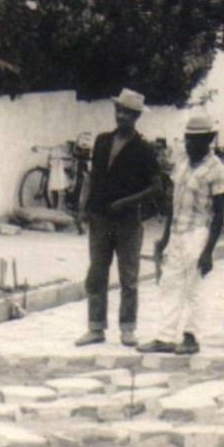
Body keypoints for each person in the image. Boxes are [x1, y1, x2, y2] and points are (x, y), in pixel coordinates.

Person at [137, 114, 224, 356]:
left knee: (194, 288)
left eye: (195, 139)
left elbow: (219, 215)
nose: (189, 144)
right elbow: (173, 203)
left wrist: (208, 251)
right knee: (169, 284)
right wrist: (166, 238)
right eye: (187, 138)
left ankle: (191, 336)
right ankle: (166, 336)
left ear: (208, 140)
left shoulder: (218, 170)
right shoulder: (182, 162)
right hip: (178, 233)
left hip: (198, 234)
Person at [76, 88, 161, 347]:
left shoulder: (144, 149)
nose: (121, 116)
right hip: (100, 218)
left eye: (127, 113)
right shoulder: (102, 141)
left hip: (128, 222)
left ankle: (127, 328)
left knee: (129, 276)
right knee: (97, 272)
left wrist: (127, 202)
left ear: (136, 116)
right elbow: (92, 177)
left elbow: (157, 187)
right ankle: (96, 327)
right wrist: (83, 206)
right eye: (118, 110)